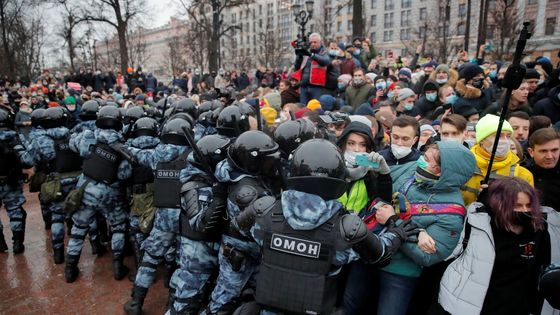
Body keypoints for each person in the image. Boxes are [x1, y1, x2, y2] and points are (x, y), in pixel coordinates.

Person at [236, 139, 417, 315]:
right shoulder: (346, 228)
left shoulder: (264, 209)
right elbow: (380, 256)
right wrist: (397, 233)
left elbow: (237, 230)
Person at [345, 141, 476, 315]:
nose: (419, 159)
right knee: (349, 306)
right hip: (369, 253)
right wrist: (382, 174)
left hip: (399, 271)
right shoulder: (411, 171)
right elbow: (380, 196)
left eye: (426, 158)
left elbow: (428, 256)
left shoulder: (452, 212)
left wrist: (392, 220)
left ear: (440, 170)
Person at [438, 177, 555, 315]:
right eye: (517, 205)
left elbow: (541, 269)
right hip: (477, 305)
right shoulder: (479, 225)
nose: (524, 210)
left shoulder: (540, 229)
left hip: (517, 307)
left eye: (529, 205)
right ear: (500, 204)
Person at [124, 117, 192, 315]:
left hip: (163, 218)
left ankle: (136, 303)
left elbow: (135, 154)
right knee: (182, 261)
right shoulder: (194, 157)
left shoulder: (157, 155)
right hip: (186, 216)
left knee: (150, 258)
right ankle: (171, 303)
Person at [65, 106, 132, 283]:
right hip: (110, 194)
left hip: (85, 189)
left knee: (78, 229)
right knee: (118, 227)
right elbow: (124, 174)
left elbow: (73, 144)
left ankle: (70, 269)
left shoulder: (88, 136)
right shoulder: (122, 147)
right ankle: (118, 267)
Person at [169, 135, 231, 315]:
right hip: (197, 253)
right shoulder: (194, 185)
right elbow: (201, 224)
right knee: (185, 305)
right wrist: (219, 199)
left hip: (211, 248)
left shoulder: (212, 179)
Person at [18, 107, 84, 264]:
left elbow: (28, 161)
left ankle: (59, 253)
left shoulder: (42, 140)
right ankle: (80, 252)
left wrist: (20, 148)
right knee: (78, 217)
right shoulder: (74, 136)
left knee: (57, 217)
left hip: (56, 184)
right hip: (77, 182)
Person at [461, 114, 534, 206]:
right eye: (499, 136)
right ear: (482, 140)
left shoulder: (523, 174)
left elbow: (527, 209)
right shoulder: (462, 166)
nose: (505, 140)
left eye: (508, 136)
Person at [0, 109, 30, 253]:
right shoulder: (14, 138)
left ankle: (0, 243)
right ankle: (18, 243)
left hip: (10, 179)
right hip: (11, 181)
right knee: (16, 212)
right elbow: (27, 160)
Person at [526, 128, 560, 212]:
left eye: (554, 150)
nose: (549, 156)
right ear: (531, 152)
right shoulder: (522, 174)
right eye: (543, 151)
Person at [293, 33, 333, 104]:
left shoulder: (324, 52)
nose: (313, 44)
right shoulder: (306, 51)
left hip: (317, 87)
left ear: (320, 43)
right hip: (304, 86)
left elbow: (325, 61)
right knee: (303, 107)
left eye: (315, 42)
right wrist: (299, 56)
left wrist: (311, 55)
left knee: (315, 108)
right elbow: (297, 67)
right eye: (311, 42)